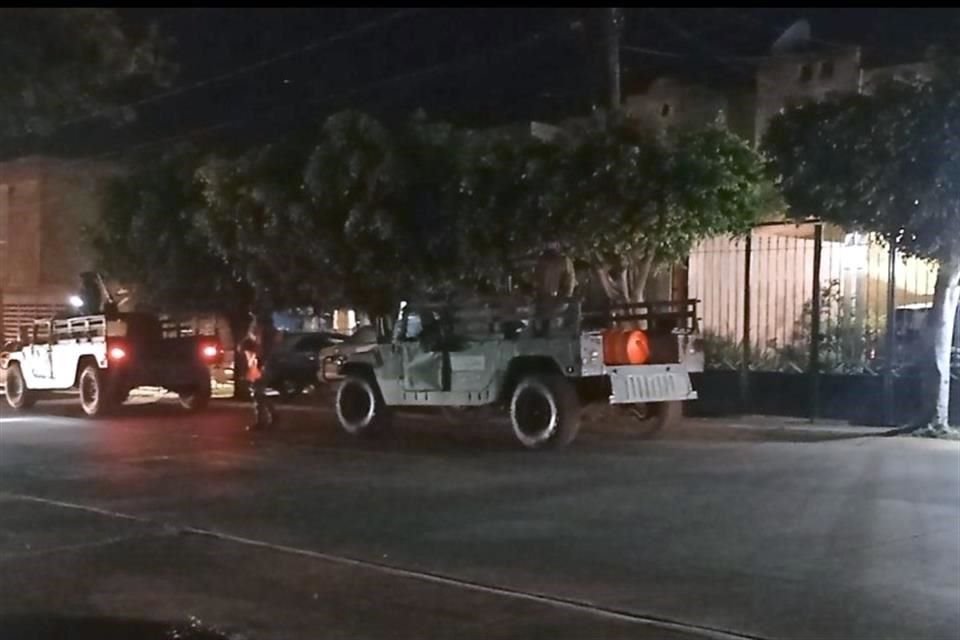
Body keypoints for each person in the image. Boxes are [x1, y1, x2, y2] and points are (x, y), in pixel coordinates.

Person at [240, 312, 279, 431]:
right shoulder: (265, 327)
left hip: (261, 362)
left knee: (258, 392)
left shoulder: (260, 327)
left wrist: (258, 363)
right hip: (261, 362)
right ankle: (272, 415)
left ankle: (262, 421)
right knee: (260, 392)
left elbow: (260, 346)